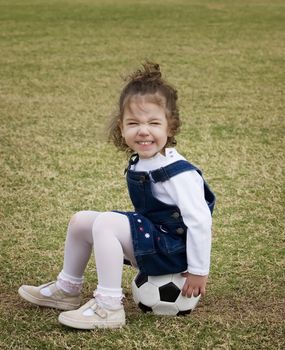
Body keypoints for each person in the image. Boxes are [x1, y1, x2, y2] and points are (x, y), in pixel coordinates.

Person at [18, 62, 215, 329]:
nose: (143, 131)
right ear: (121, 128)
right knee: (82, 221)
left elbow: (200, 221)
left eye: (153, 123)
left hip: (173, 251)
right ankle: (68, 289)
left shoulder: (179, 173)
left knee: (108, 222)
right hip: (155, 239)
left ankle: (109, 306)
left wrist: (198, 271)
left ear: (170, 127)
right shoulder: (141, 160)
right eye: (133, 123)